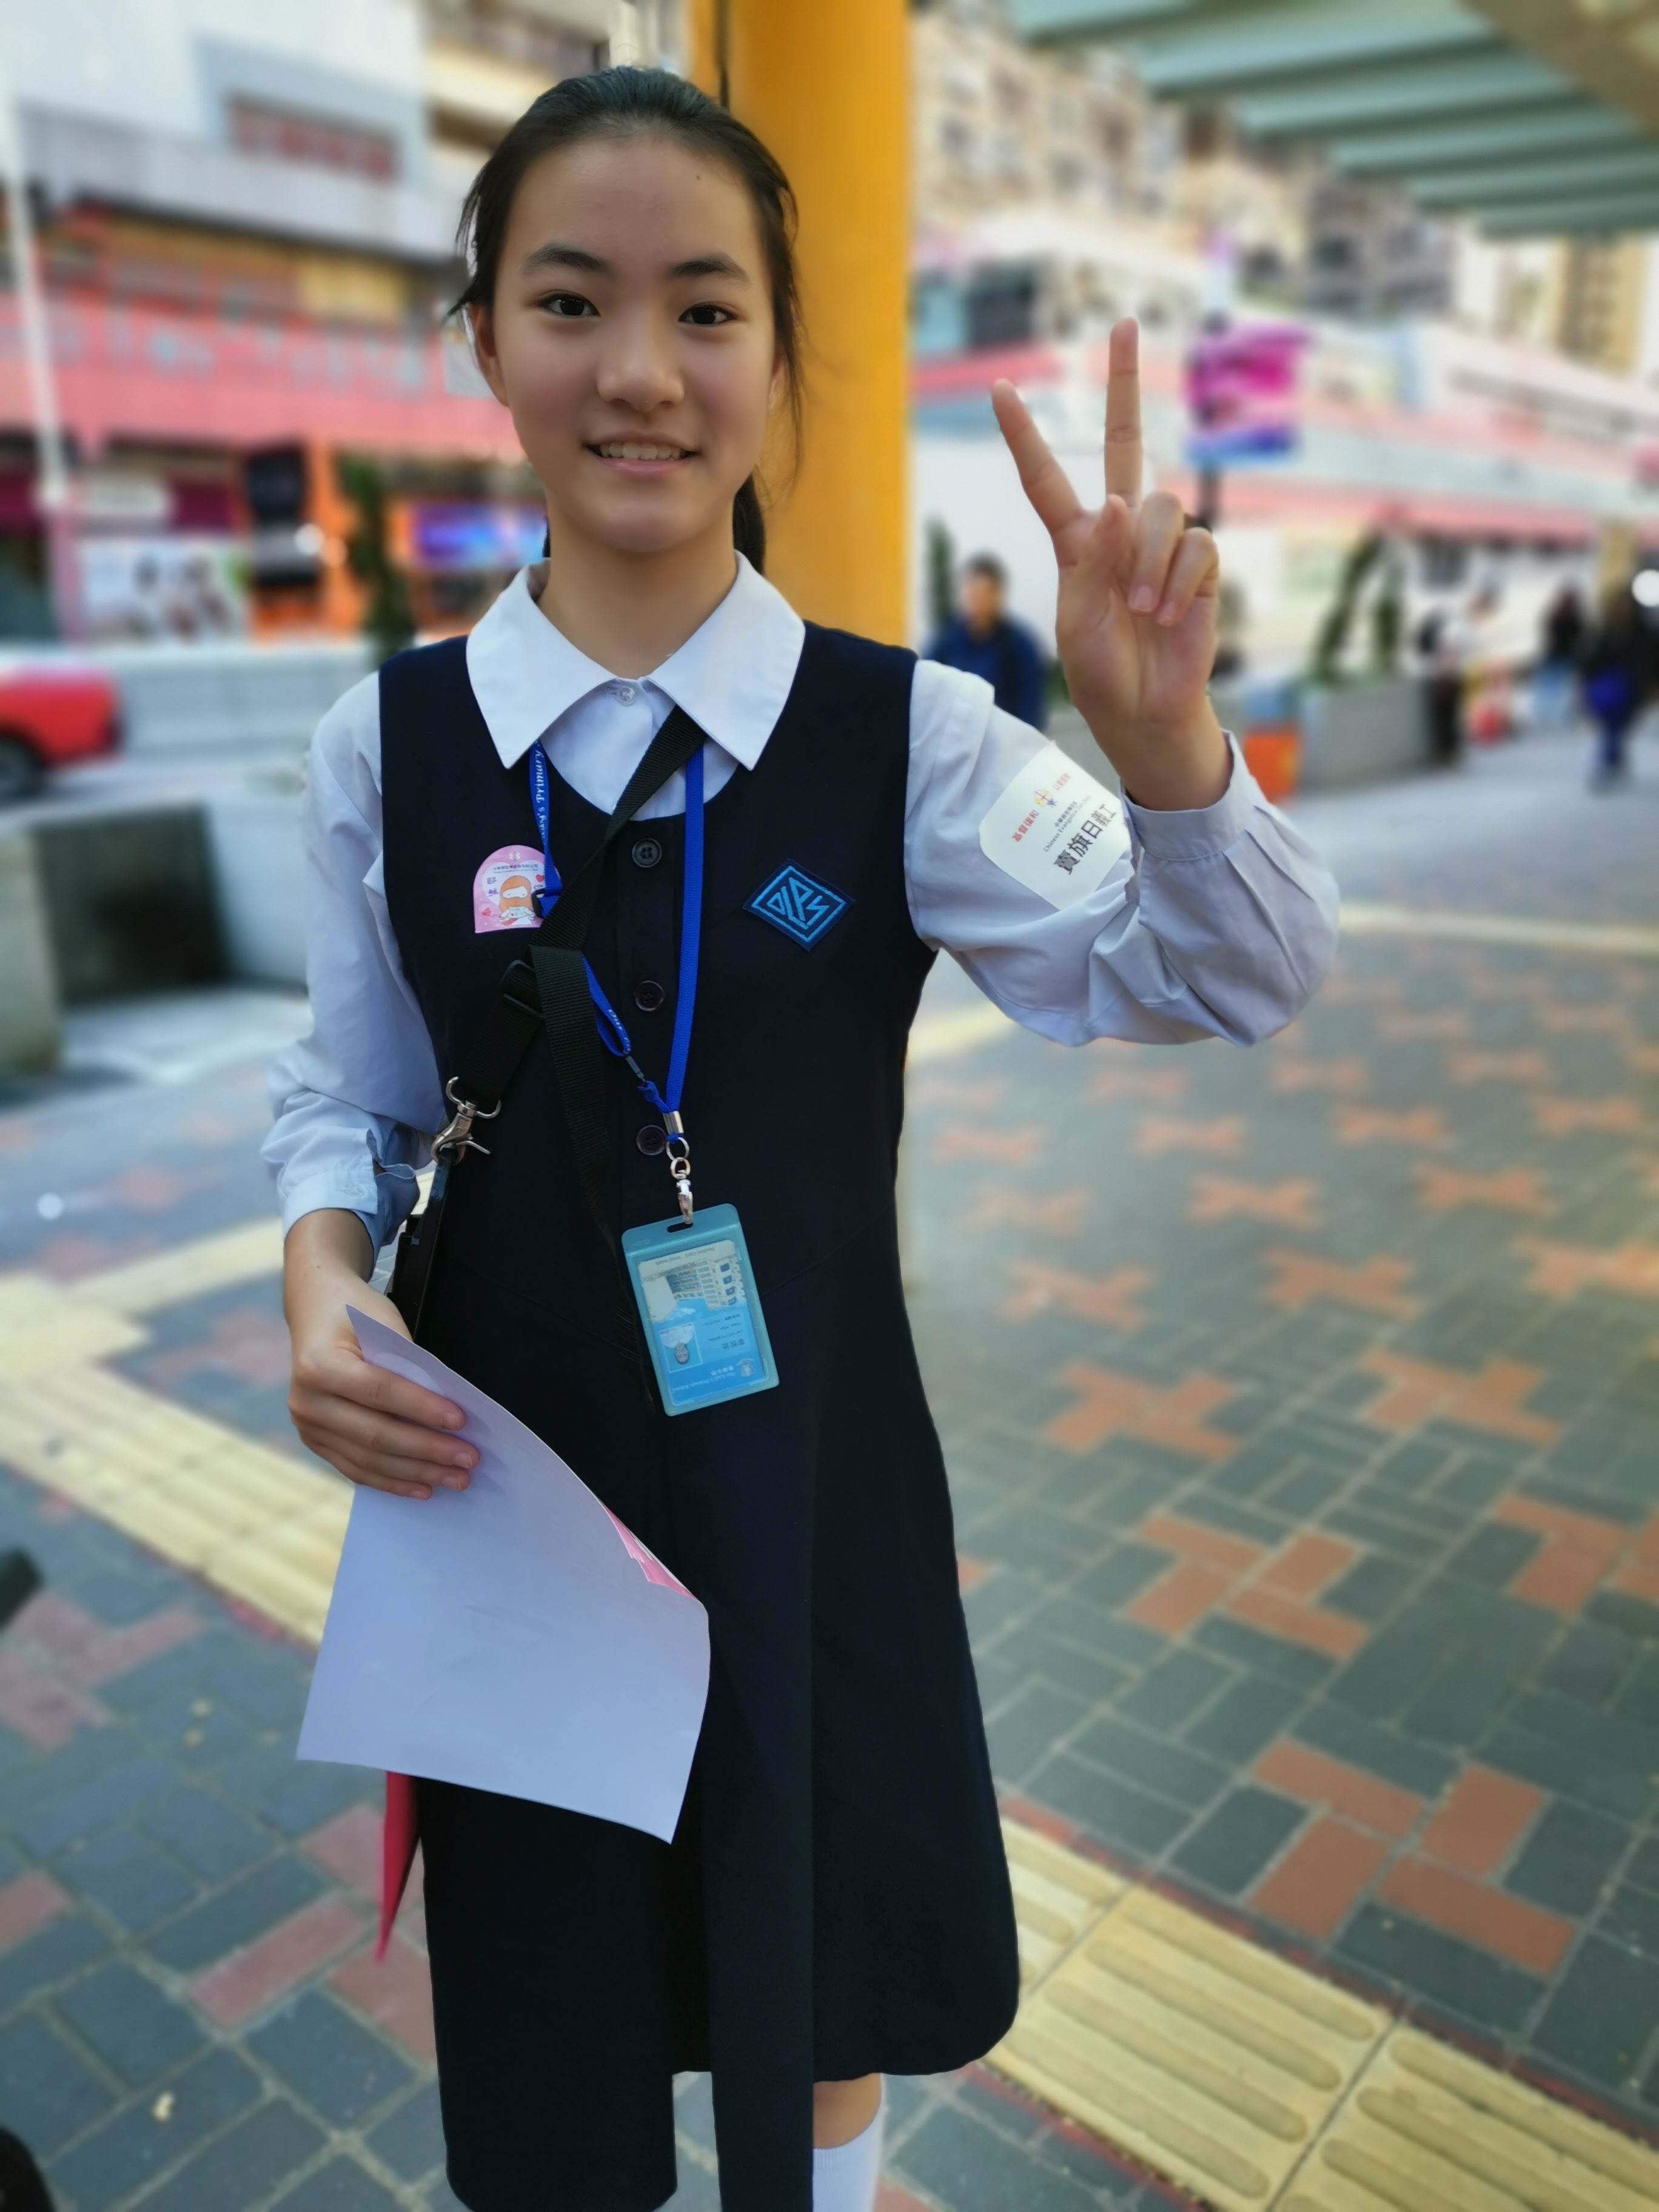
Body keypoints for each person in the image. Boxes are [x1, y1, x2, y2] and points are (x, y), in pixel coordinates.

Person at [264, 67, 1338, 2212]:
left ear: (778, 356)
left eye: (706, 308)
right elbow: (348, 1096)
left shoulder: (903, 735)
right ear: (482, 338)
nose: (639, 372)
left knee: (816, 1966)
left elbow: (1235, 975)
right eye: (570, 301)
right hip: (513, 1517)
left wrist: (1167, 748)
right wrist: (316, 1281)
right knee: (556, 2012)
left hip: (811, 1487)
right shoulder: (387, 744)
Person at [926, 551, 1048, 728]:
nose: (977, 602)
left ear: (998, 596)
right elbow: (928, 689)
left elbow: (1030, 708)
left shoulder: (1019, 646)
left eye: (984, 595)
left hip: (1003, 736)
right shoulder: (945, 641)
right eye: (972, 593)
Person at [1580, 583, 1647, 788]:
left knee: (1619, 729)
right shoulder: (1603, 629)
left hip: (1631, 686)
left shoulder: (1640, 630)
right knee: (1611, 728)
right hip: (1607, 685)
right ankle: (1608, 764)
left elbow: (1648, 660)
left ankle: (1615, 762)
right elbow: (1589, 658)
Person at [1533, 580, 1586, 729]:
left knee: (1565, 688)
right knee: (1549, 687)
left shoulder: (1575, 618)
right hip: (1555, 657)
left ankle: (1561, 715)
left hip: (1567, 657)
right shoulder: (1556, 616)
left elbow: (1580, 638)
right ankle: (1545, 715)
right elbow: (1549, 634)